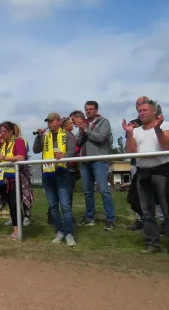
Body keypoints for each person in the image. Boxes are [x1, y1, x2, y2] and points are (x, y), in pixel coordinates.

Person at [123, 98, 169, 258]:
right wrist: (130, 134)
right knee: (147, 212)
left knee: (168, 210)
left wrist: (157, 129)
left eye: (144, 110)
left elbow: (166, 146)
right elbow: (130, 152)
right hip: (143, 172)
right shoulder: (136, 130)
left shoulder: (166, 126)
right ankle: (152, 244)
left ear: (154, 111)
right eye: (139, 111)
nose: (141, 113)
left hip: (162, 172)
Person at [71, 101, 115, 231]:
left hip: (99, 160)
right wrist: (81, 130)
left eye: (91, 109)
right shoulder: (84, 125)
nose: (88, 111)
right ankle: (89, 217)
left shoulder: (104, 122)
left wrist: (86, 129)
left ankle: (110, 219)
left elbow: (101, 138)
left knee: (104, 190)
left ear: (96, 110)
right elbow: (77, 142)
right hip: (85, 161)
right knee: (88, 192)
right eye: (86, 109)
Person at [34, 113, 77, 246]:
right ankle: (59, 231)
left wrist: (65, 154)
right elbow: (36, 150)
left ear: (58, 121)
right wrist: (38, 136)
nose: (49, 124)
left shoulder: (67, 135)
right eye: (48, 122)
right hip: (47, 173)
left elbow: (73, 151)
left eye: (52, 121)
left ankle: (69, 234)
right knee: (53, 206)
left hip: (62, 172)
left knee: (65, 205)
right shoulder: (45, 135)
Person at [0, 121, 28, 241]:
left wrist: (6, 158)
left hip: (14, 178)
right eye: (0, 131)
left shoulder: (18, 141)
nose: (2, 134)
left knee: (14, 204)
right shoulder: (3, 144)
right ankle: (17, 226)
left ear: (11, 131)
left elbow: (21, 157)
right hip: (3, 178)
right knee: (10, 204)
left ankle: (17, 230)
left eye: (4, 131)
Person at [61, 117, 80, 208]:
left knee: (67, 192)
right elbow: (71, 150)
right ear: (64, 127)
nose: (72, 124)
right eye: (69, 123)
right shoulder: (67, 135)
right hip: (69, 167)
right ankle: (67, 213)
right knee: (68, 192)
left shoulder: (71, 134)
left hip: (72, 166)